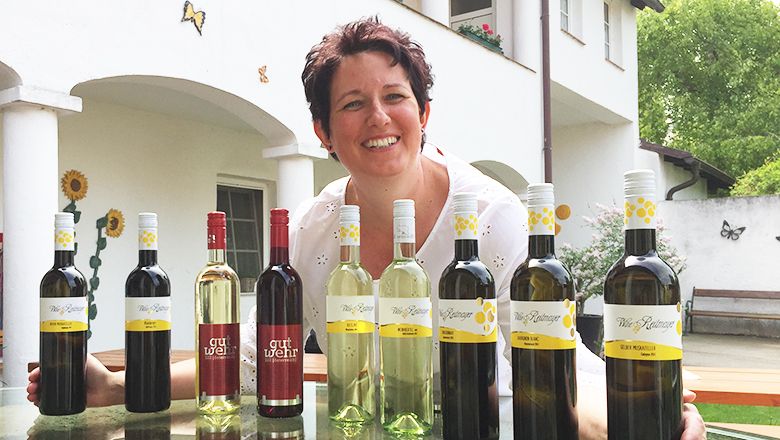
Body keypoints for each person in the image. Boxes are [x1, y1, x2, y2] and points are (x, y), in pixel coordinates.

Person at [27, 17, 705, 440]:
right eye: (352, 104)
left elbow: (561, 359)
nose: (378, 118)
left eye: (395, 97)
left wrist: (641, 418)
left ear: (424, 113)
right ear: (323, 131)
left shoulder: (496, 220)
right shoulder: (317, 231)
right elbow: (257, 359)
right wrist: (118, 388)